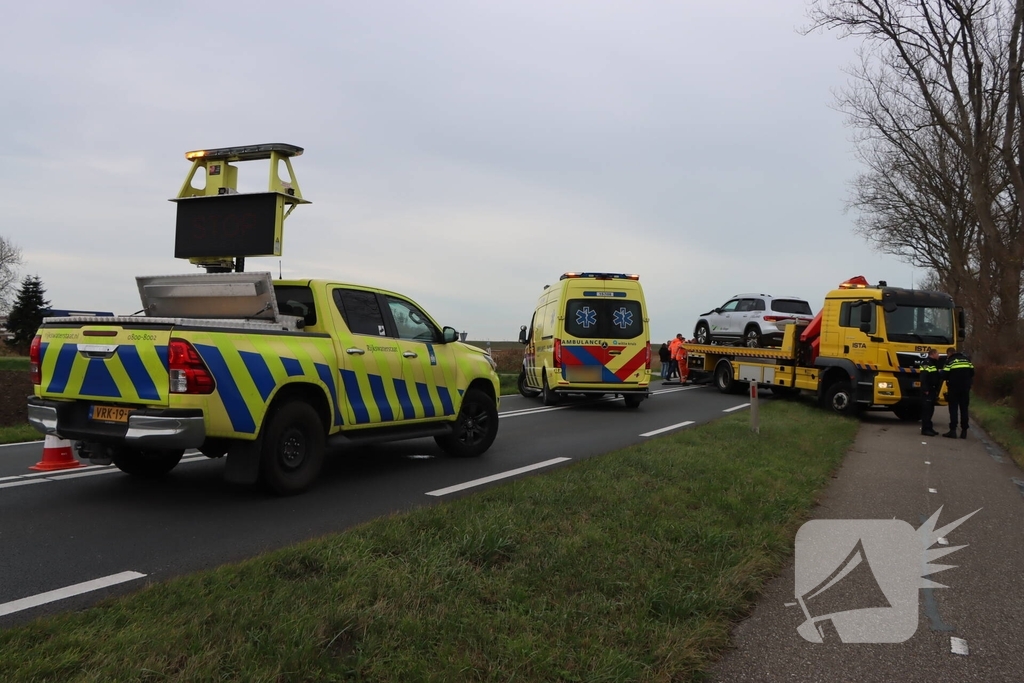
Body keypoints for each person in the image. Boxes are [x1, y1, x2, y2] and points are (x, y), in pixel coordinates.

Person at [942, 346, 974, 438]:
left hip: (954, 388)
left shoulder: (950, 361)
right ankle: (964, 431)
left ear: (949, 353)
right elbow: (972, 372)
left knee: (953, 409)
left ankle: (953, 431)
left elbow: (944, 375)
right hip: (965, 388)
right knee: (964, 409)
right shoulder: (967, 360)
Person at [918, 348, 941, 436]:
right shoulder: (926, 363)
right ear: (933, 354)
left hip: (932, 389)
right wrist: (925, 389)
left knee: (931, 409)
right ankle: (925, 429)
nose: (938, 355)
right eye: (937, 354)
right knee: (926, 410)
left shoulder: (933, 363)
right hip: (928, 390)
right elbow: (923, 377)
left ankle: (929, 428)